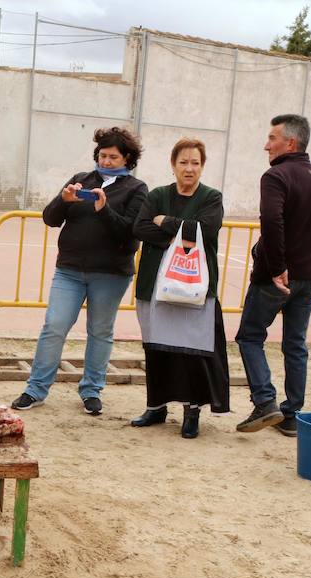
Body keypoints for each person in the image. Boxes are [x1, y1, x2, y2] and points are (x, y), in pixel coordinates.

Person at [11, 127, 147, 414]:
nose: (107, 161)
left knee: (100, 331)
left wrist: (103, 208)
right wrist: (64, 200)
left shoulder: (136, 189)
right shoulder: (81, 180)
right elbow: (50, 218)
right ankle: (35, 389)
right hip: (70, 270)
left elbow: (130, 233)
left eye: (113, 156)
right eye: (102, 155)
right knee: (54, 327)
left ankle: (91, 390)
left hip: (111, 273)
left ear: (128, 159)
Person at [235, 114, 311, 436]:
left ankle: (265, 401)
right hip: (309, 278)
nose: (266, 145)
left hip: (275, 278)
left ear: (290, 143)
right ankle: (292, 415)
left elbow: (271, 220)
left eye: (272, 138)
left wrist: (278, 267)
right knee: (295, 345)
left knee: (250, 336)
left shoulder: (276, 176)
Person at [129, 138, 229, 438]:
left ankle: (192, 410)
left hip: (193, 287)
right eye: (183, 162)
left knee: (191, 352)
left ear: (202, 166)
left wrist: (166, 222)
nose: (189, 168)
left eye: (195, 163)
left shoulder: (212, 197)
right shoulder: (158, 194)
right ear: (173, 165)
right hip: (155, 285)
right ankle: (157, 406)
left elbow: (206, 230)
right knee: (157, 347)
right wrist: (180, 235)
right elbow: (140, 227)